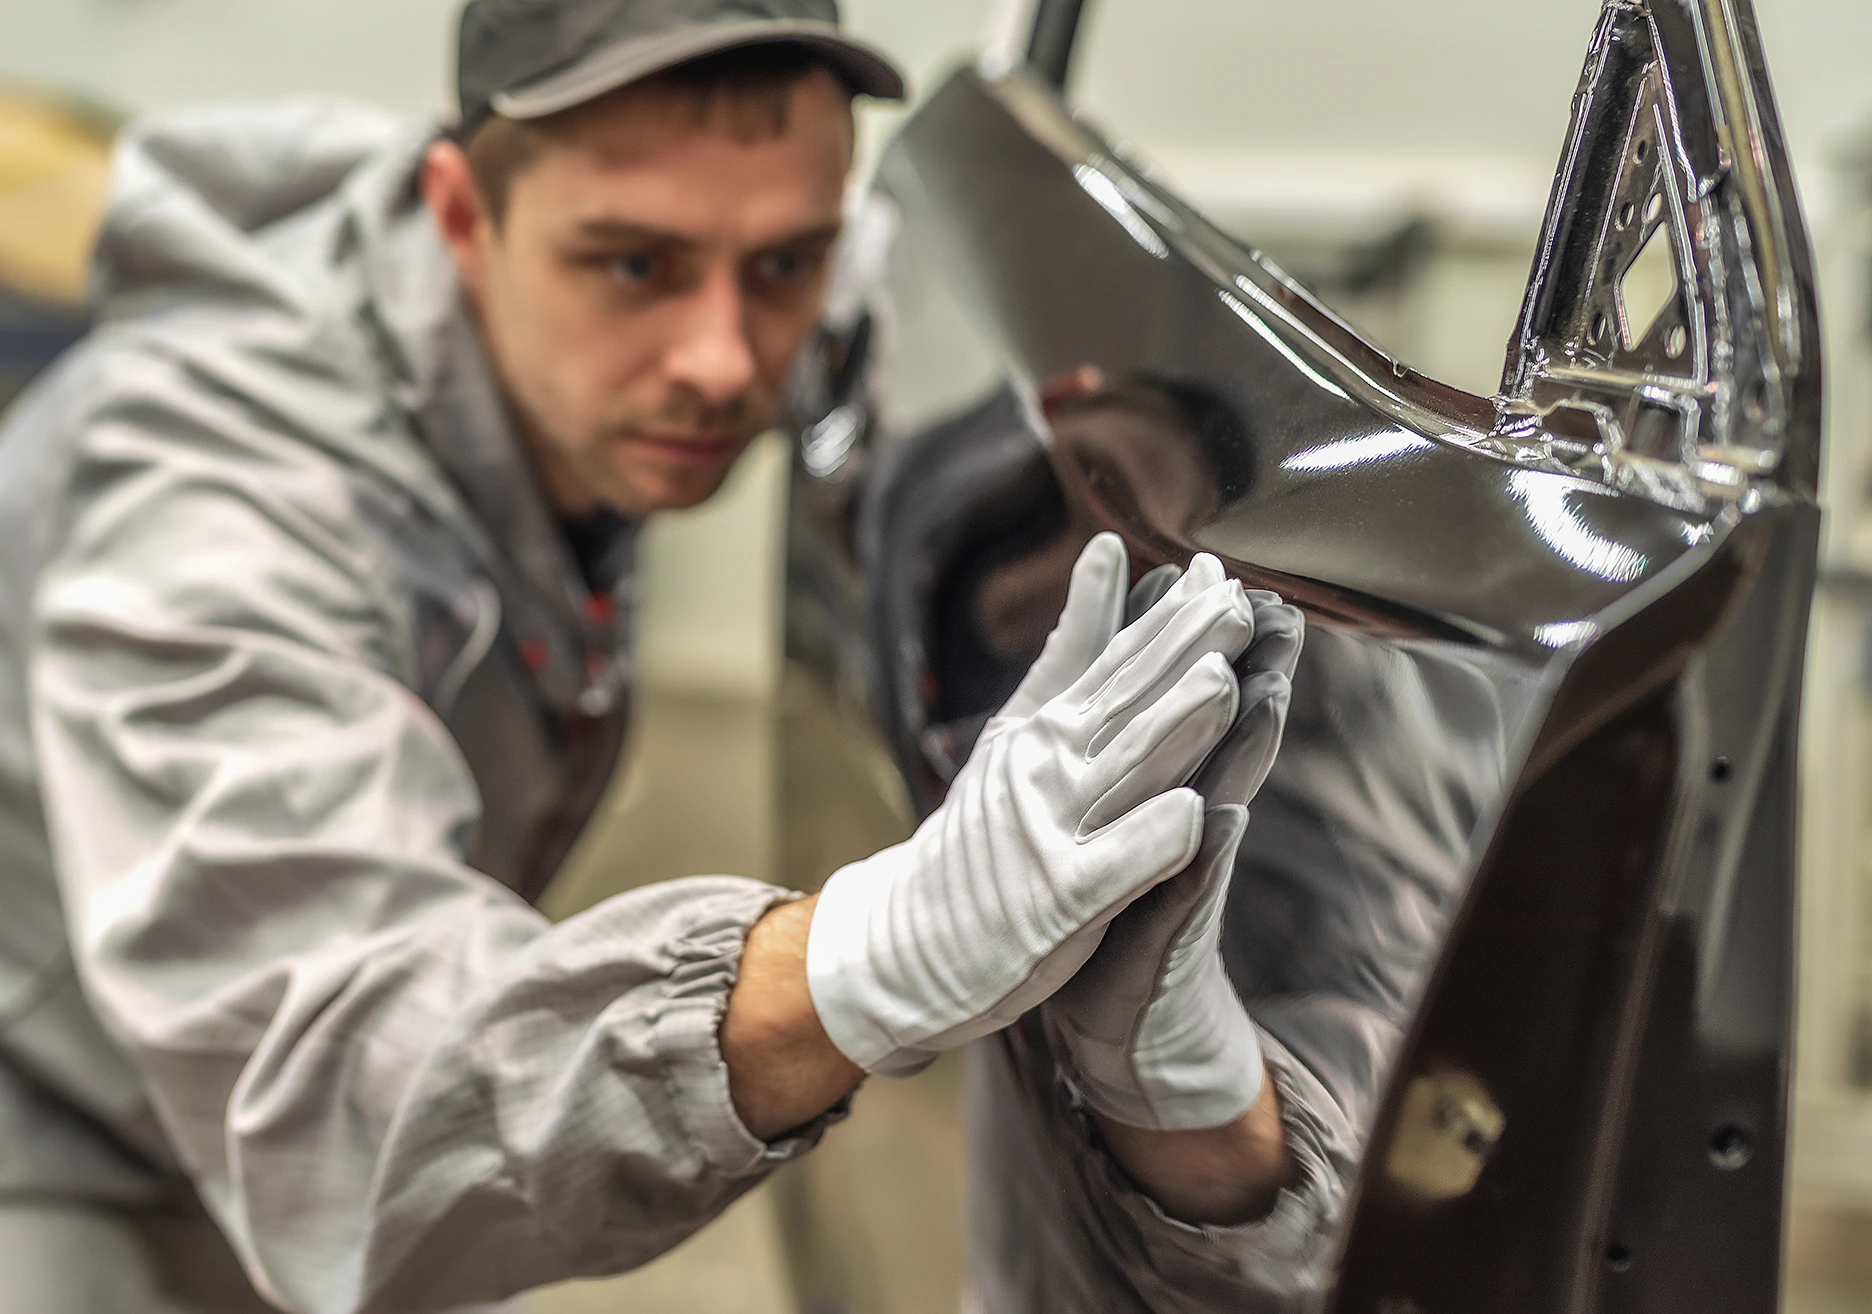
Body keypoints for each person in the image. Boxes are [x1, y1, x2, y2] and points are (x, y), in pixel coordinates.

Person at [0, 1, 1303, 1310]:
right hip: (63, 1119)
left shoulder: (622, 280)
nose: (723, 360)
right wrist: (853, 961)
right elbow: (335, 1083)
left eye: (786, 264)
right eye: (636, 266)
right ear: (462, 218)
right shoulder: (210, 513)